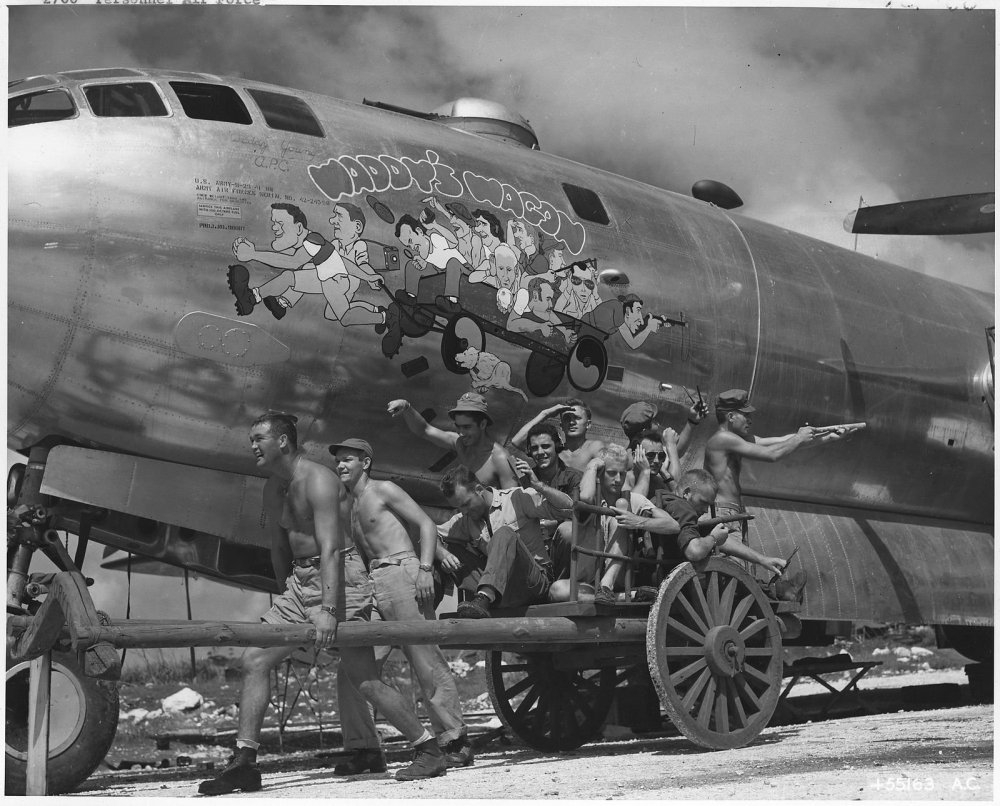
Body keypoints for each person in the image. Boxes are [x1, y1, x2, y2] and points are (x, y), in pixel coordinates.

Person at [197, 414, 411, 794]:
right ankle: (245, 762)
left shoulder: (319, 480)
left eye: (259, 437)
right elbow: (280, 547)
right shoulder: (273, 488)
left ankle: (427, 746)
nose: (252, 445)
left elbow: (331, 546)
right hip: (300, 582)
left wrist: (327, 610)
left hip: (341, 580)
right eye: (251, 438)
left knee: (365, 680)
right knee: (256, 660)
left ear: (282, 442)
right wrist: (287, 595)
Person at [332, 438, 474, 774]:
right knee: (354, 667)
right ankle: (364, 748)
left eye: (348, 459)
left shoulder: (383, 490)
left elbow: (425, 524)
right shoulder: (349, 504)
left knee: (424, 659)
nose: (340, 465)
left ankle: (455, 741)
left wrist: (425, 569)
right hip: (373, 583)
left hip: (401, 572)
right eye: (337, 460)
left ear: (366, 462)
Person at [703, 389, 844, 569]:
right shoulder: (723, 438)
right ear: (731, 416)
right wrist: (800, 437)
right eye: (745, 415)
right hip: (722, 512)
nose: (750, 420)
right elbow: (772, 454)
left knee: (736, 570)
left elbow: (781, 442)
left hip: (731, 513)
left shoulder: (737, 439)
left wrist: (827, 437)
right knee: (730, 570)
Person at [436, 465, 573, 618]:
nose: (464, 511)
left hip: (532, 585)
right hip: (502, 590)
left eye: (466, 503)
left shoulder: (516, 498)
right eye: (458, 507)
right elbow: (429, 532)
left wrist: (540, 487)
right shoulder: (464, 520)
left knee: (504, 533)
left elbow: (569, 508)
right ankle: (425, 613)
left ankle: (484, 597)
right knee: (445, 549)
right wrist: (442, 553)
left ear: (479, 489)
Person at [229, 202, 386, 328]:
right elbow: (342, 262)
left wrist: (253, 254)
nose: (332, 221)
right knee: (330, 314)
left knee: (345, 318)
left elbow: (292, 261)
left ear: (357, 227)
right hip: (329, 278)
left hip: (338, 282)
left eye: (339, 216)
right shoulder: (332, 243)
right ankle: (272, 301)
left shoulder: (319, 241)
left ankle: (384, 317)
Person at [548, 444, 670, 605]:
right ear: (599, 473)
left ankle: (607, 587)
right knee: (557, 590)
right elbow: (584, 499)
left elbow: (671, 524)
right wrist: (591, 466)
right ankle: (625, 597)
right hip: (588, 584)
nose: (618, 480)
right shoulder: (592, 498)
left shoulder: (633, 499)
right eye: (612, 473)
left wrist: (638, 521)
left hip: (618, 579)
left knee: (618, 516)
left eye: (622, 473)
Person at [618, 468, 787, 576]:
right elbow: (694, 551)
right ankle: (776, 590)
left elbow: (719, 539)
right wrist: (713, 539)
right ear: (686, 493)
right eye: (704, 502)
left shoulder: (659, 500)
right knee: (733, 576)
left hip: (653, 571)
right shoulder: (684, 508)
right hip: (680, 577)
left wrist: (762, 559)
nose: (706, 510)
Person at [387, 392, 518, 489]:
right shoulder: (460, 443)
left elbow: (512, 510)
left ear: (483, 424)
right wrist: (406, 407)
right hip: (468, 518)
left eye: (467, 427)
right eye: (458, 426)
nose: (461, 433)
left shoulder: (501, 459)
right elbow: (424, 430)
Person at [511, 398, 606, 472]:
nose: (572, 422)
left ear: (588, 424)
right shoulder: (554, 451)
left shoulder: (595, 447)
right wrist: (545, 414)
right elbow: (517, 441)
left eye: (576, 418)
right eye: (567, 418)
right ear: (561, 425)